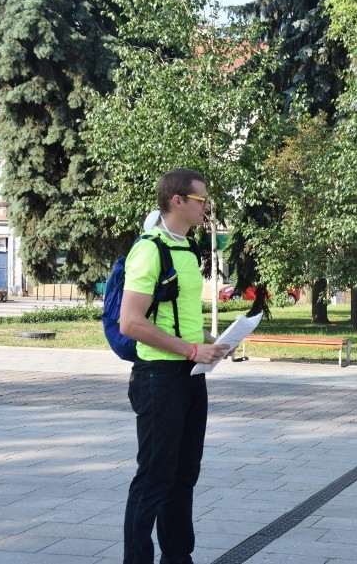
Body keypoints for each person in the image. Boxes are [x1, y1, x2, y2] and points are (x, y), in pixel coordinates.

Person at [120, 168, 231, 564]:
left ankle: (178, 558)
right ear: (178, 201)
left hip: (190, 377)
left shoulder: (188, 250)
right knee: (153, 478)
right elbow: (130, 322)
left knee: (184, 476)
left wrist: (210, 346)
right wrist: (189, 350)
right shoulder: (149, 249)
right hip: (158, 378)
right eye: (202, 201)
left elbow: (181, 315)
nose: (207, 208)